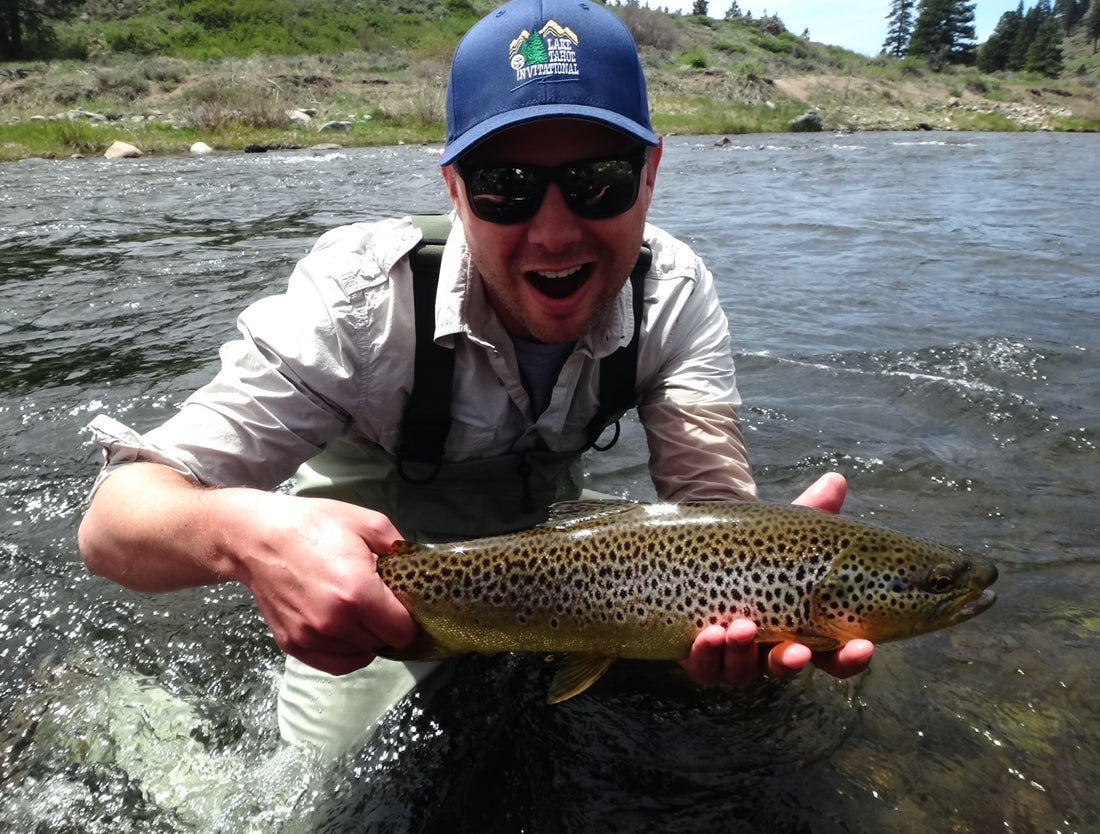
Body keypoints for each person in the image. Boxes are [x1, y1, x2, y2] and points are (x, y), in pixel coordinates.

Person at [77, 0, 872, 756]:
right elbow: (115, 524)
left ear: (651, 171)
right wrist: (247, 537)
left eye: (599, 179)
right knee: (330, 794)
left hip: (568, 554)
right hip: (383, 574)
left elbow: (709, 508)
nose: (555, 233)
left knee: (762, 702)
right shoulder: (359, 301)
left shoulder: (675, 292)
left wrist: (764, 575)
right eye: (505, 187)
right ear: (453, 186)